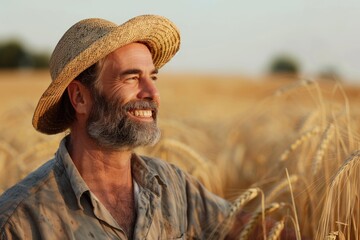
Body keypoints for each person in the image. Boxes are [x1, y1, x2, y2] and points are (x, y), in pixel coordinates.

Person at [0, 15, 297, 240]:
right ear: (80, 97)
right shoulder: (20, 220)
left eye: (153, 78)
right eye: (131, 78)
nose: (151, 94)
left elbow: (251, 228)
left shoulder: (173, 185)